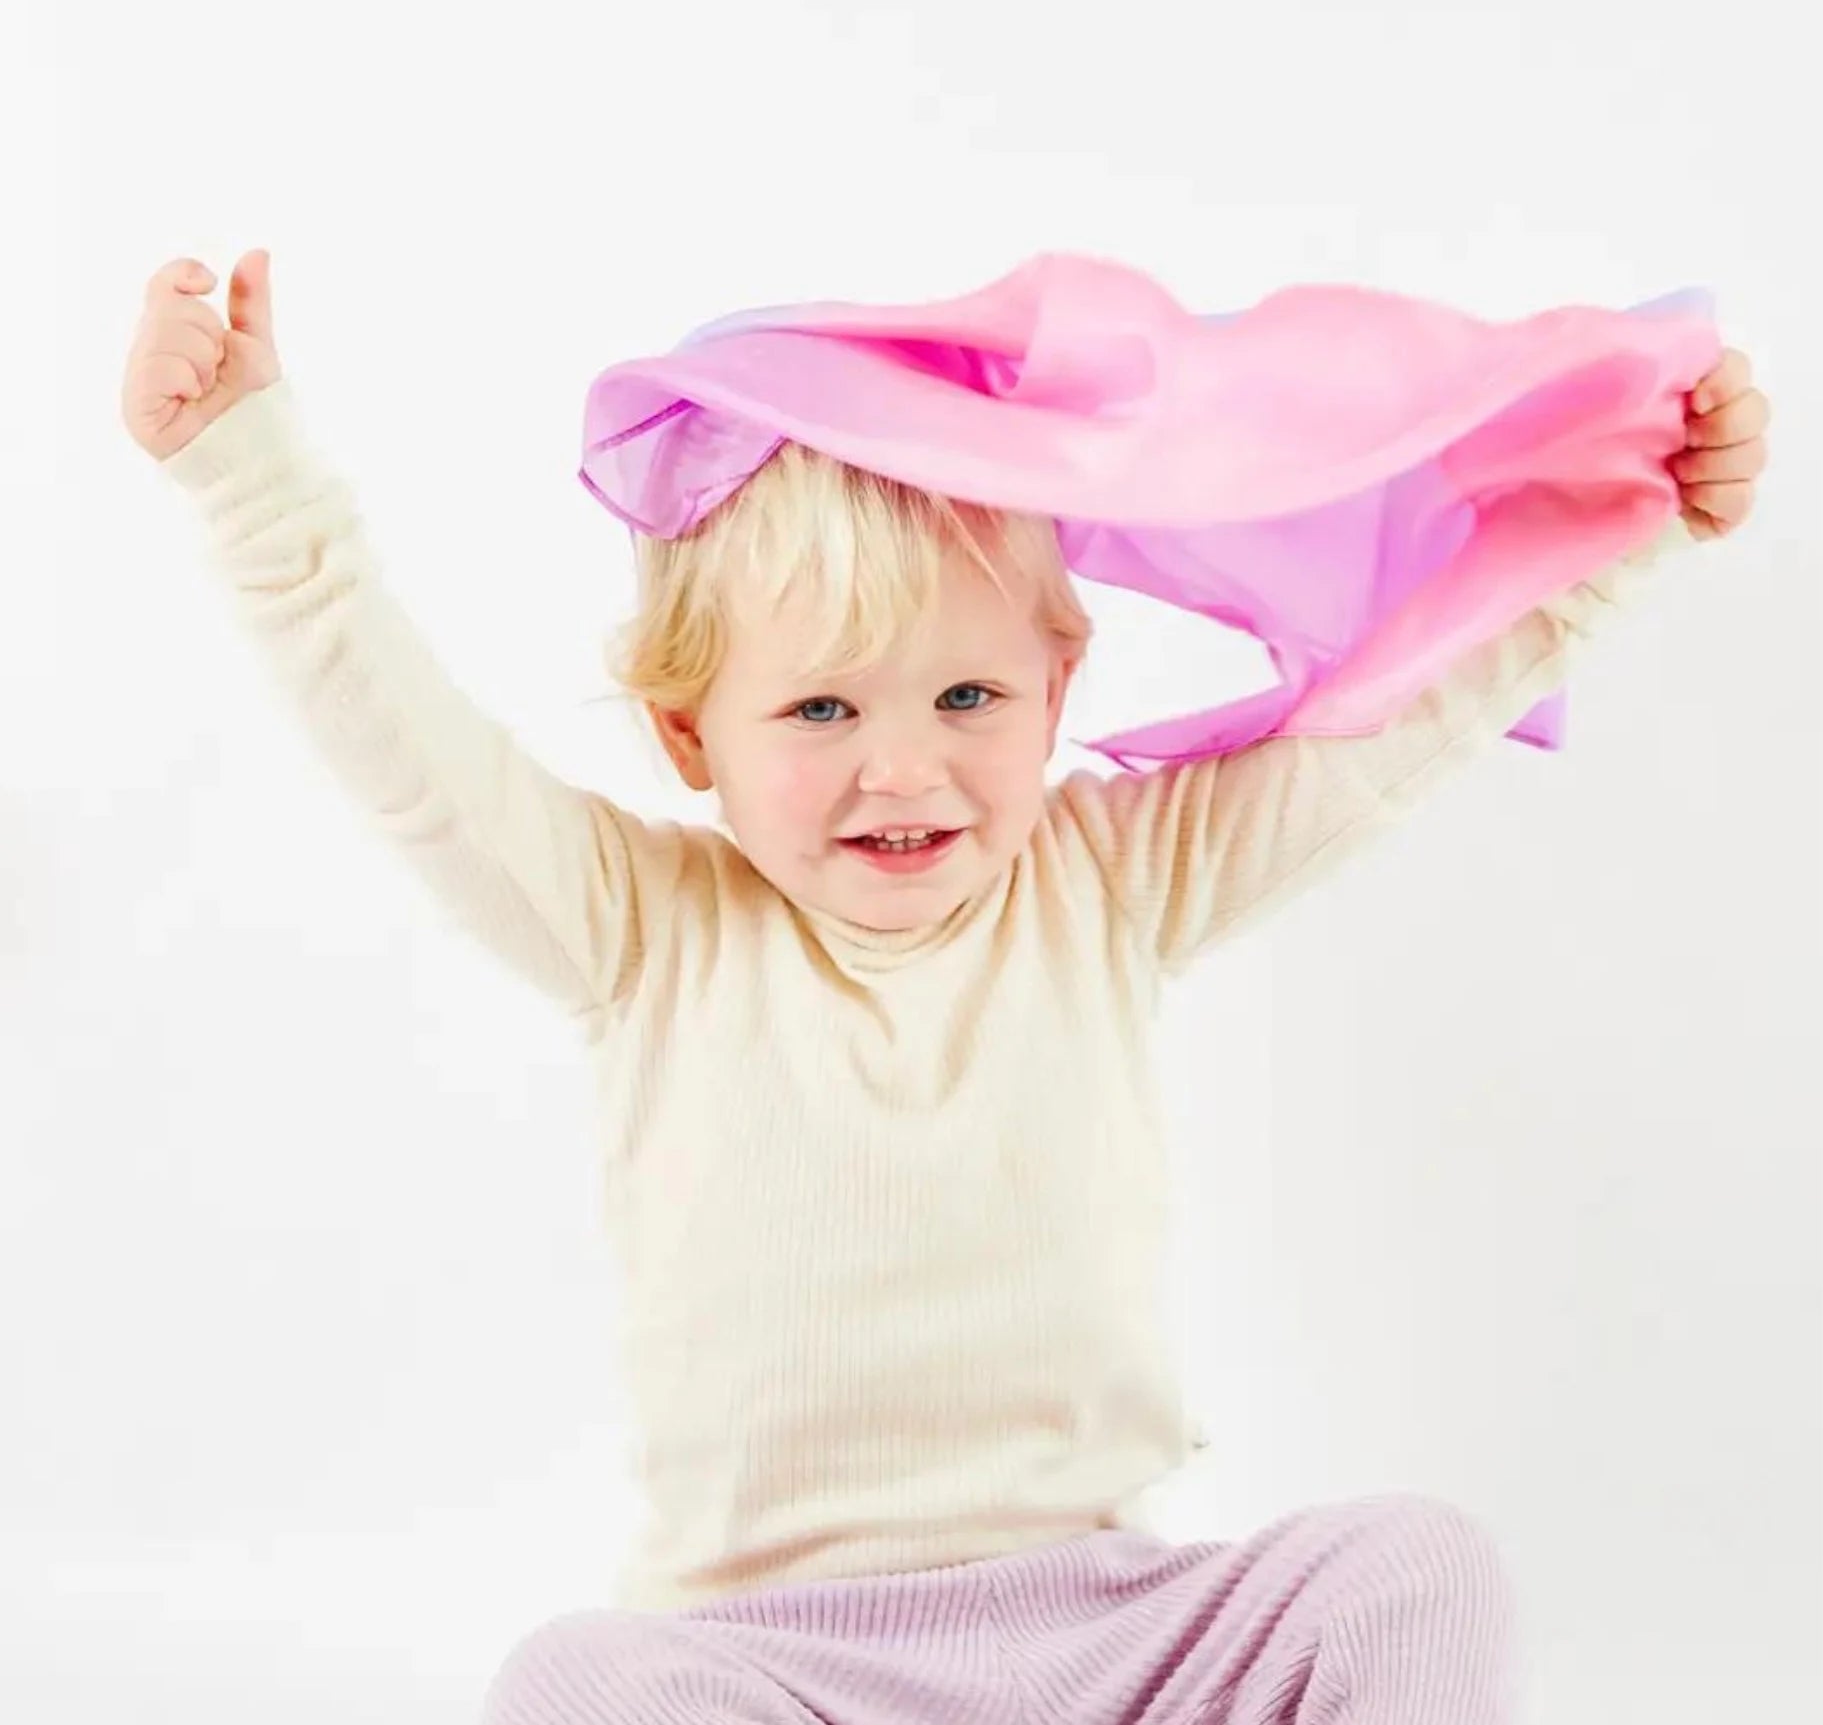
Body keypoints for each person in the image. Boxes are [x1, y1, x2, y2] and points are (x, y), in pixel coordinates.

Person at [121, 250, 1769, 1724]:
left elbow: (1402, 727)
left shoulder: (1113, 879)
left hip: (1127, 1641)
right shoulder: (640, 925)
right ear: (693, 735)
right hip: (775, 1669)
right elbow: (400, 743)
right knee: (575, 1687)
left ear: (1059, 690)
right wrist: (245, 472)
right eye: (822, 712)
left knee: (1416, 1570)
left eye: (967, 693)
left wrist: (1636, 518)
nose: (902, 768)